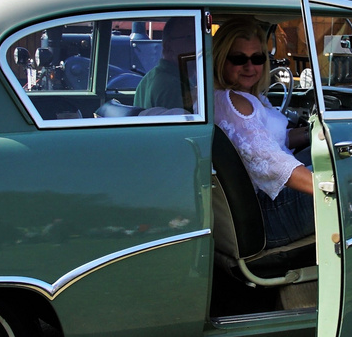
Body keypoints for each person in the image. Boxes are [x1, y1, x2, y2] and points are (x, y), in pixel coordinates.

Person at [212, 17, 313, 249]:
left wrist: (310, 134)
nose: (250, 67)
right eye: (239, 59)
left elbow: (268, 140)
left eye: (257, 58)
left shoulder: (238, 97)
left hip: (263, 205)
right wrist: (327, 186)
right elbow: (269, 162)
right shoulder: (234, 103)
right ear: (220, 59)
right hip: (267, 212)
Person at [132, 17, 198, 113]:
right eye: (190, 38)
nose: (198, 45)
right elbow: (184, 127)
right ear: (168, 47)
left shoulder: (150, 77)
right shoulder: (172, 87)